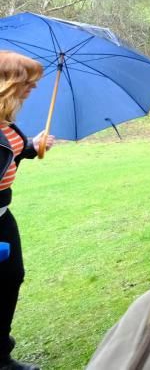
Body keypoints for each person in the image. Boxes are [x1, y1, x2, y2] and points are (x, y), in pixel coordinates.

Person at [0, 51, 56, 370]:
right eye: (28, 81)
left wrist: (33, 146)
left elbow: (11, 152)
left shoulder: (7, 123)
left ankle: (1, 357)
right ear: (8, 84)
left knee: (10, 279)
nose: (33, 87)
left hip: (4, 218)